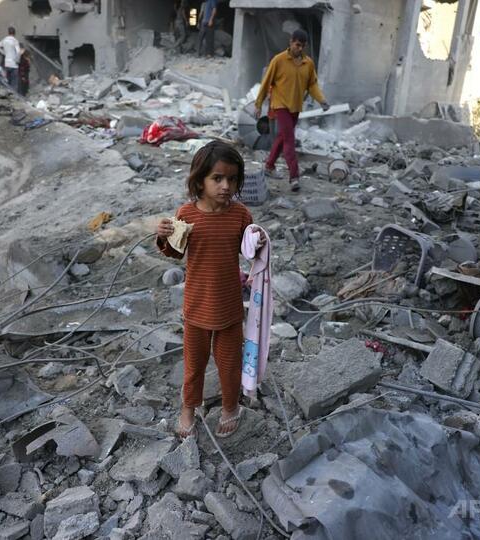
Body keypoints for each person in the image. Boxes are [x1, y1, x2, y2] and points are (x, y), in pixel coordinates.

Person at [155, 141, 265, 439]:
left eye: (232, 179)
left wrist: (258, 244)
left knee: (229, 364)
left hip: (229, 307)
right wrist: (164, 236)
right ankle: (188, 407)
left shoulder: (240, 215)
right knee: (194, 365)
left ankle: (231, 407)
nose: (225, 186)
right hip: (197, 307)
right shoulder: (186, 214)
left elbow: (250, 252)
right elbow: (175, 252)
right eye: (217, 178)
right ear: (199, 180)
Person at [254, 29, 329, 192]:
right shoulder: (279, 60)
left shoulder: (308, 63)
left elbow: (312, 85)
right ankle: (294, 177)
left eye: (302, 46)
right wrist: (258, 104)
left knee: (282, 137)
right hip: (280, 105)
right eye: (297, 45)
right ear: (291, 42)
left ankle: (269, 166)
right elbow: (266, 83)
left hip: (295, 107)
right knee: (289, 139)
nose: (299, 49)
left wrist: (322, 100)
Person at [0, 27, 22, 94]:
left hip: (7, 64)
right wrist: (17, 60)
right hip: (14, 64)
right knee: (14, 82)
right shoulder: (15, 41)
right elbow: (18, 52)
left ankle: (8, 95)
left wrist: (4, 53)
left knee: (8, 81)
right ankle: (14, 96)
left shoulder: (4, 40)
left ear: (8, 32)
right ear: (14, 33)